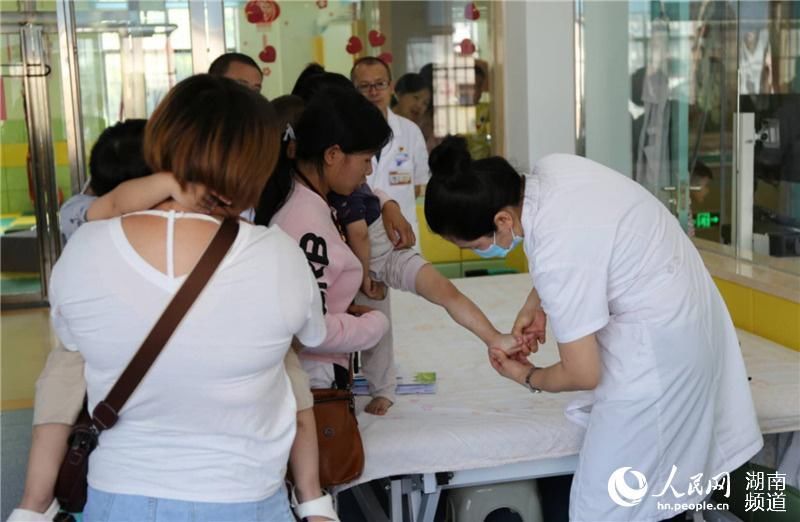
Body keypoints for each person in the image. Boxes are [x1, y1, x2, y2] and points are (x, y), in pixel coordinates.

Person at [13, 75, 327, 522]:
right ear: (258, 164)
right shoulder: (277, 255)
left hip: (118, 498)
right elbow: (309, 342)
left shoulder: (84, 249)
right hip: (243, 496)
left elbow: (68, 365)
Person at [423, 136, 763, 522]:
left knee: (602, 510)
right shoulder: (553, 169)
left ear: (502, 219)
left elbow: (583, 372)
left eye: (476, 244)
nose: (484, 250)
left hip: (658, 355)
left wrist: (527, 375)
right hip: (683, 315)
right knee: (653, 494)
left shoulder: (555, 248)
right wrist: (538, 303)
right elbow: (588, 240)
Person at [256, 86, 414, 405]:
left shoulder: (311, 202)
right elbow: (309, 330)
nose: (369, 171)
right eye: (366, 159)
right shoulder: (304, 217)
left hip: (318, 374)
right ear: (332, 155)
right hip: (316, 381)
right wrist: (372, 324)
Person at [328, 181, 522, 414]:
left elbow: (374, 197)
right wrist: (363, 273)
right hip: (360, 267)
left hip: (389, 254)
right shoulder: (332, 192)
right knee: (374, 330)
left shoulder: (356, 184)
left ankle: (494, 338)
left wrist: (390, 205)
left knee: (443, 292)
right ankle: (380, 388)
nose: (368, 169)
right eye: (366, 161)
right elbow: (357, 234)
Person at [351, 57, 429, 243]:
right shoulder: (346, 132)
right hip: (362, 238)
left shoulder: (410, 132)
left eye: (380, 84)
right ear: (353, 90)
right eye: (365, 86)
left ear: (391, 87)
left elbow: (418, 186)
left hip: (403, 238)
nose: (374, 91)